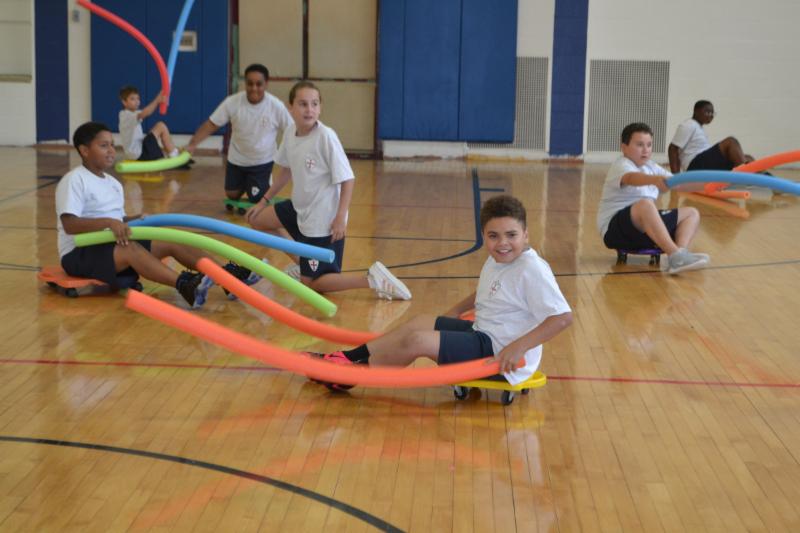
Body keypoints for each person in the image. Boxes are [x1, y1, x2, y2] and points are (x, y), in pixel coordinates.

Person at [308, 195, 573, 391]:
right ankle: (346, 358)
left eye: (511, 235)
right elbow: (490, 290)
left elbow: (562, 317)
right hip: (483, 333)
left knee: (418, 341)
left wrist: (519, 347)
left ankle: (352, 376)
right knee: (420, 322)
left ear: (526, 235)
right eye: (494, 236)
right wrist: (456, 311)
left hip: (502, 355)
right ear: (484, 236)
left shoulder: (531, 269)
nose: (502, 243)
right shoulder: (499, 259)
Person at [56, 122, 254, 308]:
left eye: (112, 145)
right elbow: (70, 224)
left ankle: (227, 278)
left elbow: (118, 220)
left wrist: (135, 219)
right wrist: (109, 222)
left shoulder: (113, 184)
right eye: (103, 145)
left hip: (112, 244)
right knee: (130, 248)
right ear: (84, 150)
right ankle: (184, 285)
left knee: (173, 238)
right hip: (79, 254)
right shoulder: (75, 179)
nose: (111, 150)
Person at [245, 80, 412, 300]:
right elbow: (286, 169)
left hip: (322, 220)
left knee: (313, 285)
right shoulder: (290, 132)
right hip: (300, 208)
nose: (309, 109)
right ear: (290, 107)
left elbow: (348, 179)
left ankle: (371, 279)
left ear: (320, 107)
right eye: (303, 104)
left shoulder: (325, 137)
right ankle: (303, 264)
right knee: (257, 220)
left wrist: (340, 217)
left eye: (314, 104)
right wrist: (263, 201)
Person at [598, 122, 710, 274]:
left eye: (649, 145)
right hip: (615, 232)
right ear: (624, 147)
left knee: (692, 213)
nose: (645, 150)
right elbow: (631, 178)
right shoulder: (621, 164)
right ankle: (675, 255)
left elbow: (681, 184)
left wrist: (714, 184)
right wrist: (655, 180)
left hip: (643, 230)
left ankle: (680, 255)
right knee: (645, 205)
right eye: (639, 145)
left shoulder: (651, 166)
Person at [185, 63, 292, 204]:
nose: (254, 88)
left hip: (262, 161)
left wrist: (294, 154)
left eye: (259, 84)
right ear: (245, 83)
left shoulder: (276, 106)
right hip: (237, 159)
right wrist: (192, 144)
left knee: (256, 197)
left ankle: (262, 182)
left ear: (266, 84)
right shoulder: (232, 102)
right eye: (250, 84)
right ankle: (251, 183)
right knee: (232, 194)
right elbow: (212, 124)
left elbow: (292, 130)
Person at [668, 100, 754, 173]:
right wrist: (676, 177)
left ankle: (754, 177)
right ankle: (747, 177)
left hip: (704, 163)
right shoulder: (688, 125)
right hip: (695, 166)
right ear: (696, 111)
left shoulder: (698, 127)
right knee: (731, 141)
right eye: (707, 112)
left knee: (748, 158)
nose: (711, 115)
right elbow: (672, 149)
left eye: (712, 113)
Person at [118, 86, 182, 162]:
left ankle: (173, 152)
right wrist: (157, 100)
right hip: (140, 153)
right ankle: (174, 155)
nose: (137, 101)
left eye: (138, 98)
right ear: (124, 102)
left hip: (139, 151)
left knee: (158, 127)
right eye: (132, 99)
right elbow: (145, 113)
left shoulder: (133, 113)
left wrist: (160, 100)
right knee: (161, 126)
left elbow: (146, 112)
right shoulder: (125, 115)